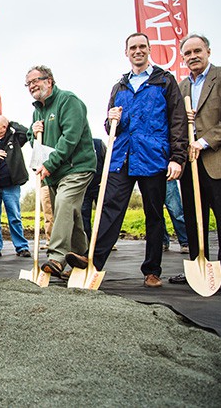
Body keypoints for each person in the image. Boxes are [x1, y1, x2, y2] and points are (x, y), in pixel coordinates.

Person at [66, 33, 187, 288]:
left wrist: (177, 157)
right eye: (133, 47)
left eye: (142, 46)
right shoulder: (119, 86)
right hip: (121, 156)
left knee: (154, 214)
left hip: (153, 156)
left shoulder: (164, 81)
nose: (138, 51)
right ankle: (93, 264)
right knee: (109, 209)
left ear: (149, 49)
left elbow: (177, 121)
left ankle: (152, 271)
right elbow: (111, 127)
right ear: (127, 52)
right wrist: (111, 119)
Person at [169, 34, 221, 292]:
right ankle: (196, 263)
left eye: (197, 51)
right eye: (187, 53)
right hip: (192, 166)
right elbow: (175, 123)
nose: (193, 56)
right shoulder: (180, 88)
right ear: (182, 58)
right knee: (193, 218)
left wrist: (203, 142)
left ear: (208, 51)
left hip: (220, 159)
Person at [26, 65, 96, 279]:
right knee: (70, 214)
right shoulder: (38, 110)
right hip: (54, 173)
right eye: (28, 83)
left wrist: (50, 164)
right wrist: (33, 133)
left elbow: (70, 138)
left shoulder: (68, 101)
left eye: (35, 80)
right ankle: (81, 255)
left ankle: (56, 257)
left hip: (77, 167)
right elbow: (34, 142)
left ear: (50, 80)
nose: (32, 86)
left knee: (64, 202)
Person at [0, 115, 30, 258]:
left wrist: (10, 122)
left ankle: (21, 247)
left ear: (4, 127)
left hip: (11, 185)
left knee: (14, 216)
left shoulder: (15, 138)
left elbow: (26, 132)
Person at [81, 138, 106, 240]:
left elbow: (107, 161)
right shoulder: (76, 144)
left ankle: (103, 240)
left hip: (100, 184)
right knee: (84, 215)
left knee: (103, 214)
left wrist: (105, 181)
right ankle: (88, 241)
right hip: (84, 186)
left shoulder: (98, 144)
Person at [162, 180, 189, 253]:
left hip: (167, 176)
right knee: (155, 214)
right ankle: (163, 241)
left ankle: (185, 242)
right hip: (150, 176)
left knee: (176, 212)